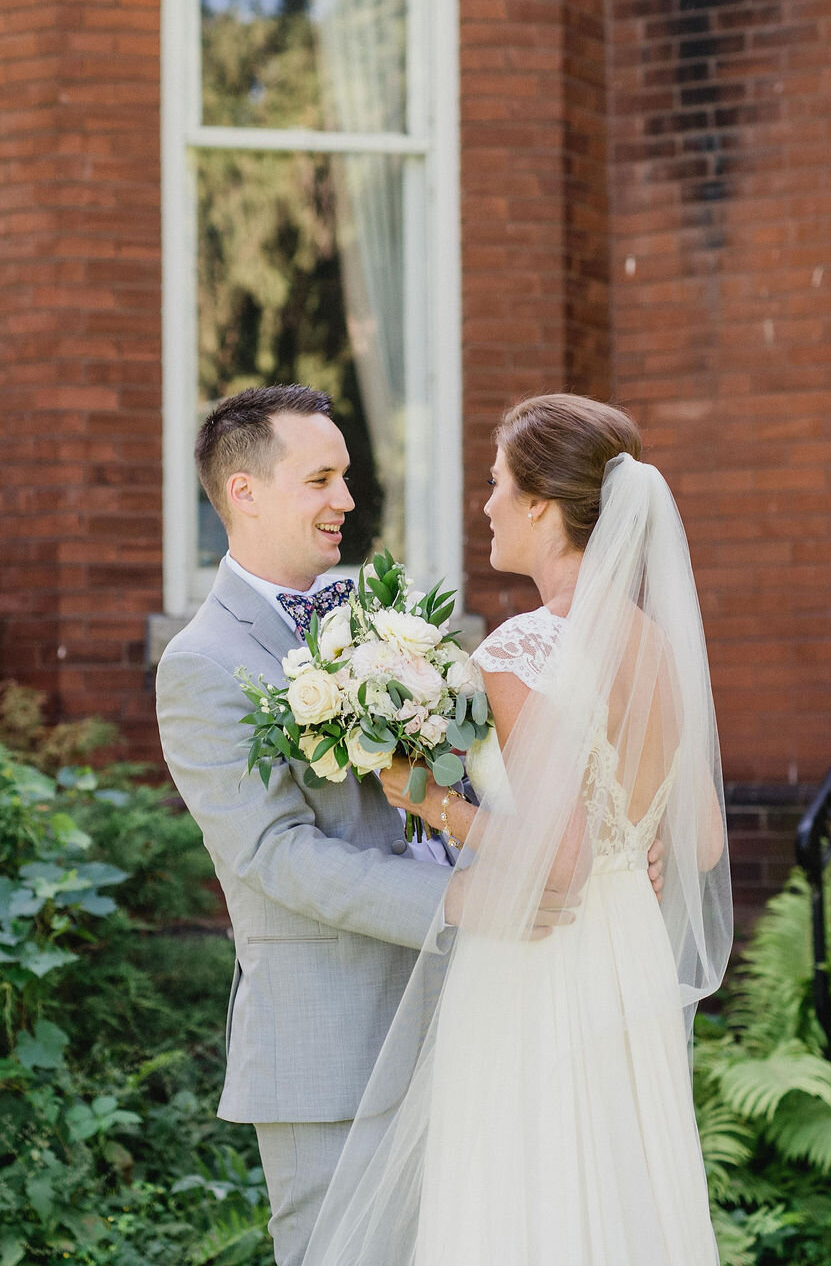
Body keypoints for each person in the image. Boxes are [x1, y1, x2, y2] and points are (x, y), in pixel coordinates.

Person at [155, 386, 615, 1266]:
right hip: (333, 1055)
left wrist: (602, 830)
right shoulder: (201, 663)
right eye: (321, 478)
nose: (346, 500)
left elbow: (481, 770)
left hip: (465, 1023)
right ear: (244, 492)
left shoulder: (376, 620)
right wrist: (458, 898)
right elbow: (271, 854)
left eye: (348, 476)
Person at [303, 393, 734, 1266]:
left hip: (543, 964)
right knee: (619, 1195)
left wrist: (425, 797)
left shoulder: (520, 651)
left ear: (542, 504)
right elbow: (704, 844)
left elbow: (560, 855)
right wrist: (635, 842)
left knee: (526, 1204)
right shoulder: (656, 645)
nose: (486, 504)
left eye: (497, 483)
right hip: (627, 959)